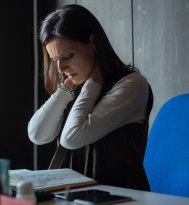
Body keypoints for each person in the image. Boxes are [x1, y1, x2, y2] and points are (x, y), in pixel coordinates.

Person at [27, 4, 152, 191]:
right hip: (78, 197)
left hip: (121, 198)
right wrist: (66, 88)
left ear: (93, 43)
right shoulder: (76, 84)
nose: (60, 69)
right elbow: (37, 135)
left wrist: (93, 83)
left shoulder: (132, 85)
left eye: (68, 56)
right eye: (55, 60)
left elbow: (71, 138)